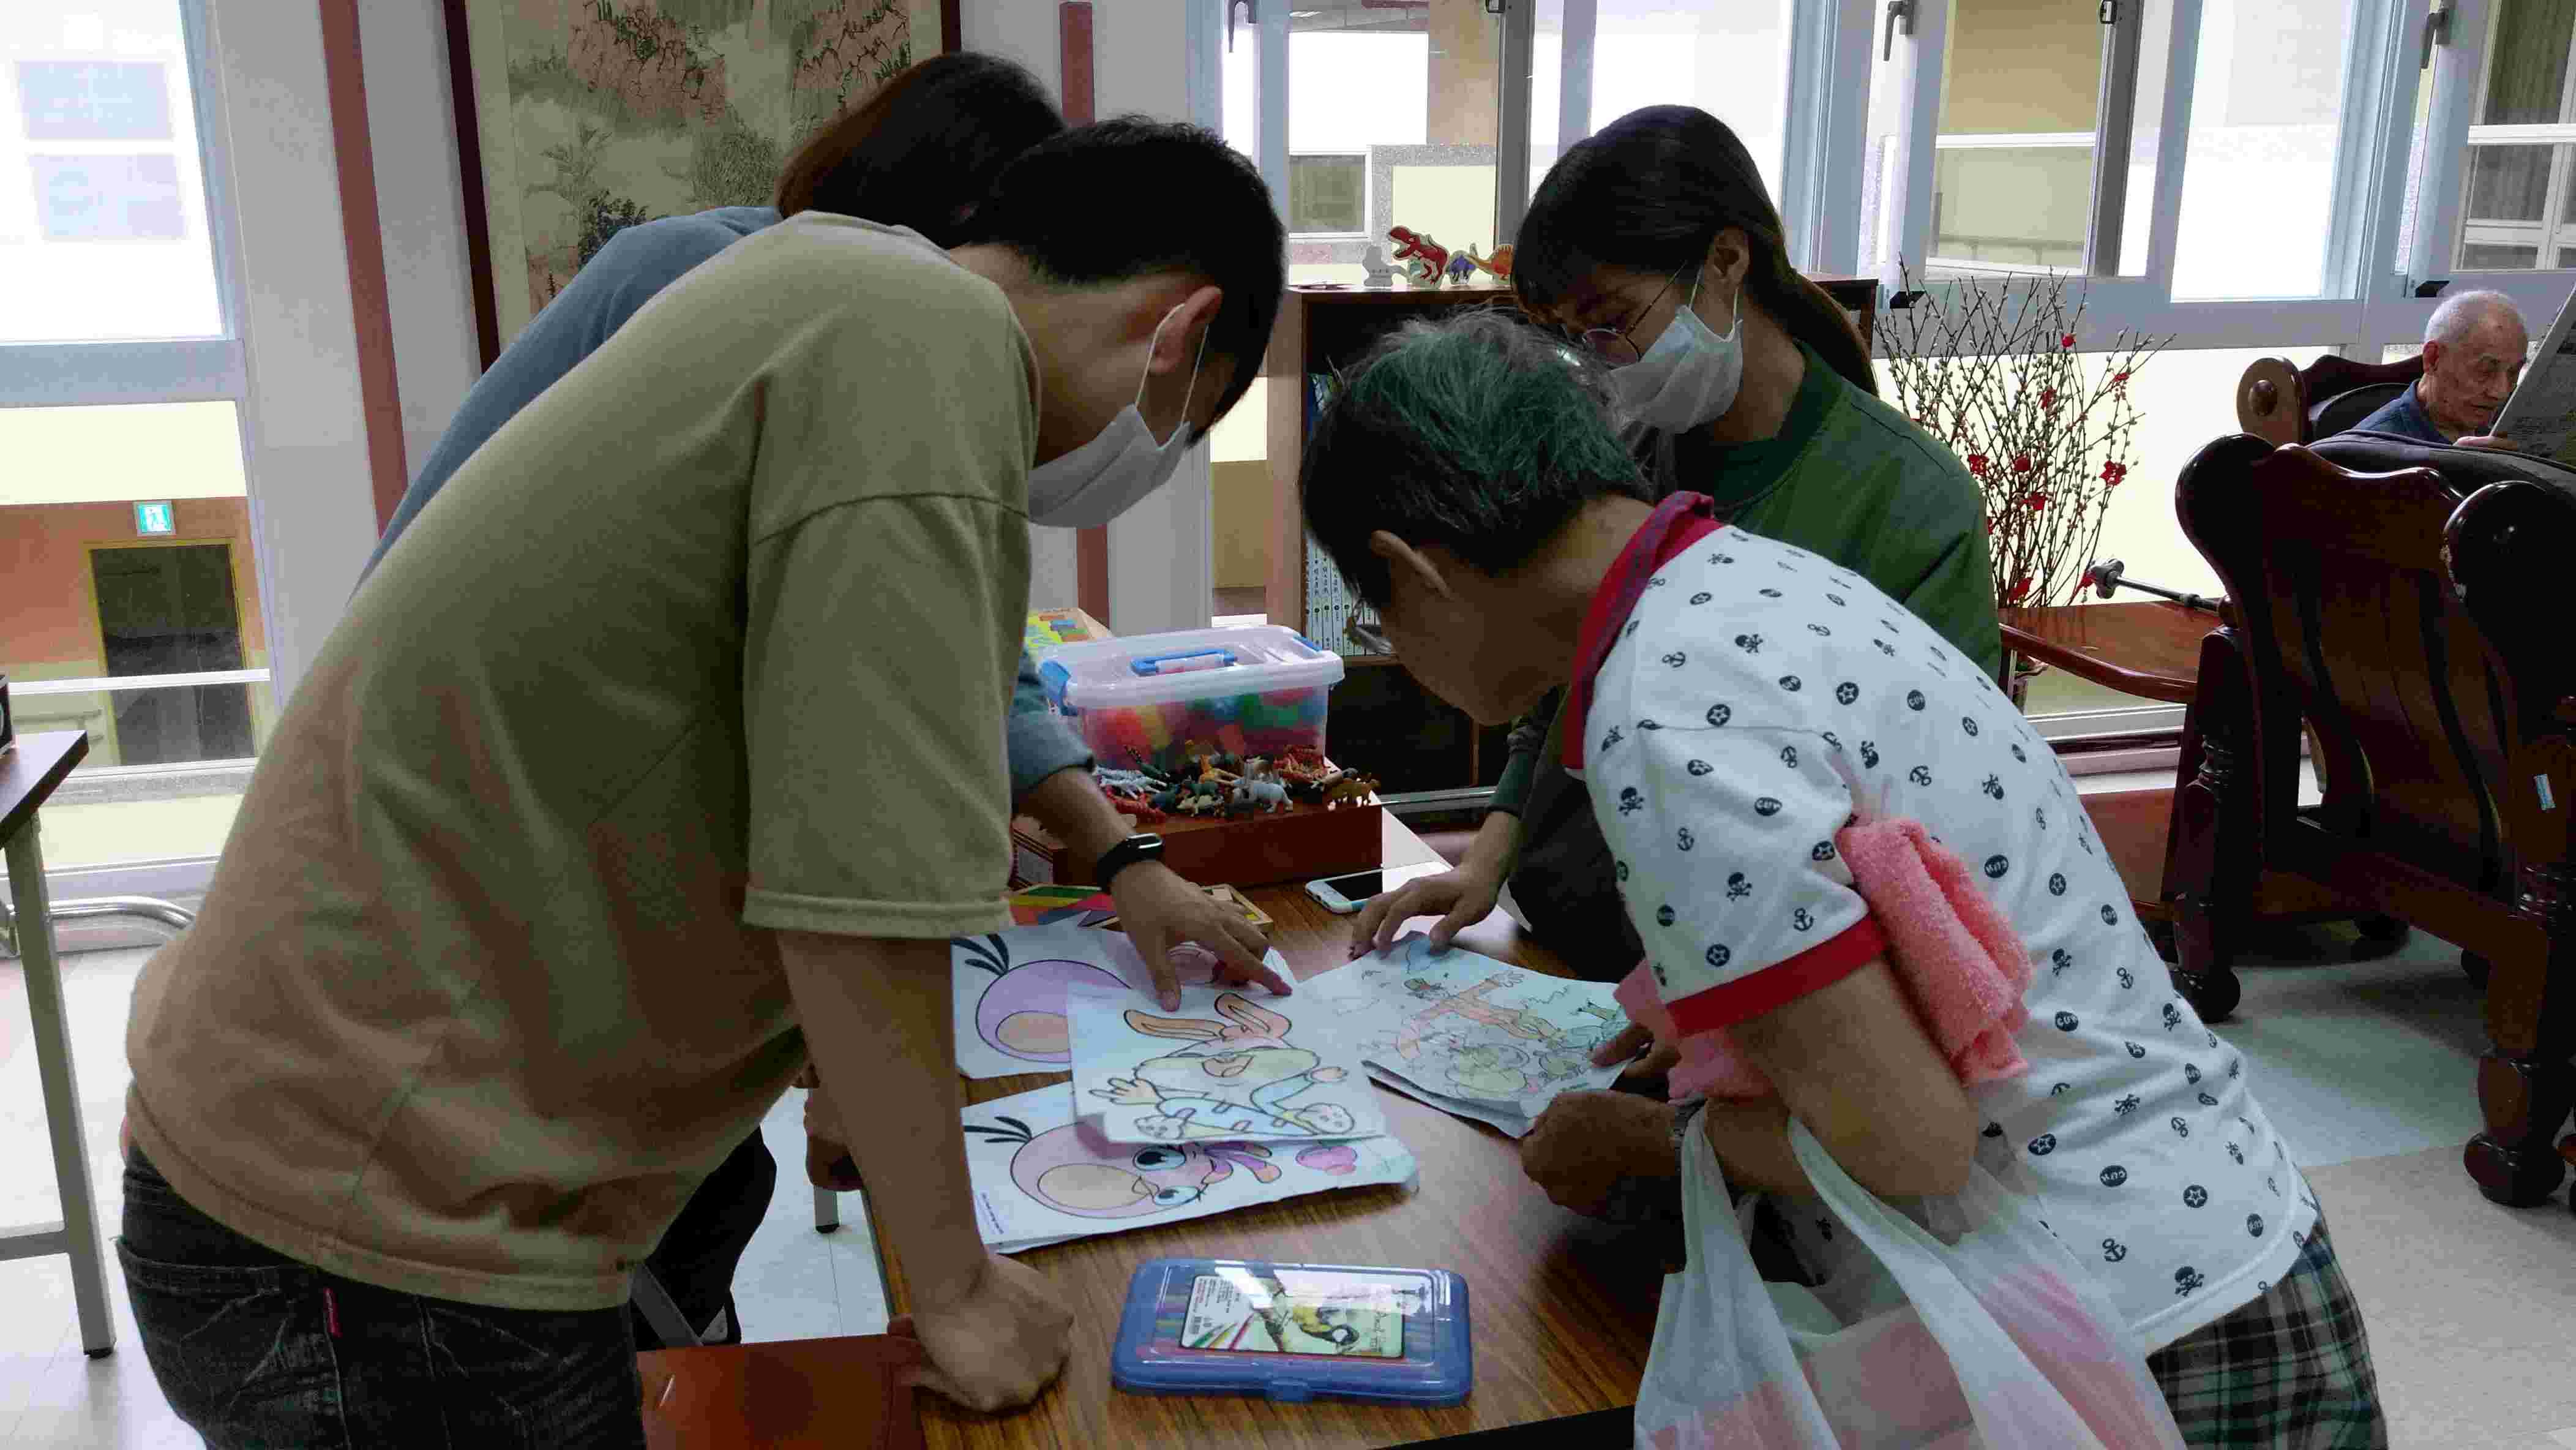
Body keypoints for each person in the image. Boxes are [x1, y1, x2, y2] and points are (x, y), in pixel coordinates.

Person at [118, 116, 1287, 1445]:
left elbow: (789, 750)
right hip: (368, 1228)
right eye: (1183, 431)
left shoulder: (829, 282)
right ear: (1178, 333)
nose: (1146, 465)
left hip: (320, 1163)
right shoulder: (929, 347)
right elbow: (861, 882)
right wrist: (956, 1289)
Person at [1302, 310, 2386, 1447]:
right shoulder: (1744, 579)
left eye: (1379, 618)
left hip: (2134, 1323)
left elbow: (1912, 1145)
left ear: (1407, 568)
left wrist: (1647, 1146)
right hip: (2216, 1215)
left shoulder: (1662, 712)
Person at [358, 56, 1267, 1354]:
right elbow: (856, 815)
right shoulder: (882, 331)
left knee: (696, 1233)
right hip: (451, 1077)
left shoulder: (861, 321)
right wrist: (941, 1266)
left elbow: (952, 663)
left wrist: (1119, 856)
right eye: (1195, 417)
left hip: (535, 1066)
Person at [1350, 105, 2000, 995]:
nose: (1602, 360)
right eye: (1573, 337)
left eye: (1612, 319)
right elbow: (1555, 671)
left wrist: (1745, 1019)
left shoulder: (1910, 501)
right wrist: (1486, 861)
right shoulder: (1632, 446)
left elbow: (1927, 816)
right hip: (1577, 931)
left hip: (1766, 969)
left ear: (1728, 261)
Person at [2351, 290, 2528, 443]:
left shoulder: (2510, 430)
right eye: (2485, 371)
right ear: (2433, 359)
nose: (2501, 392)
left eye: (2513, 372)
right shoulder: (2374, 451)